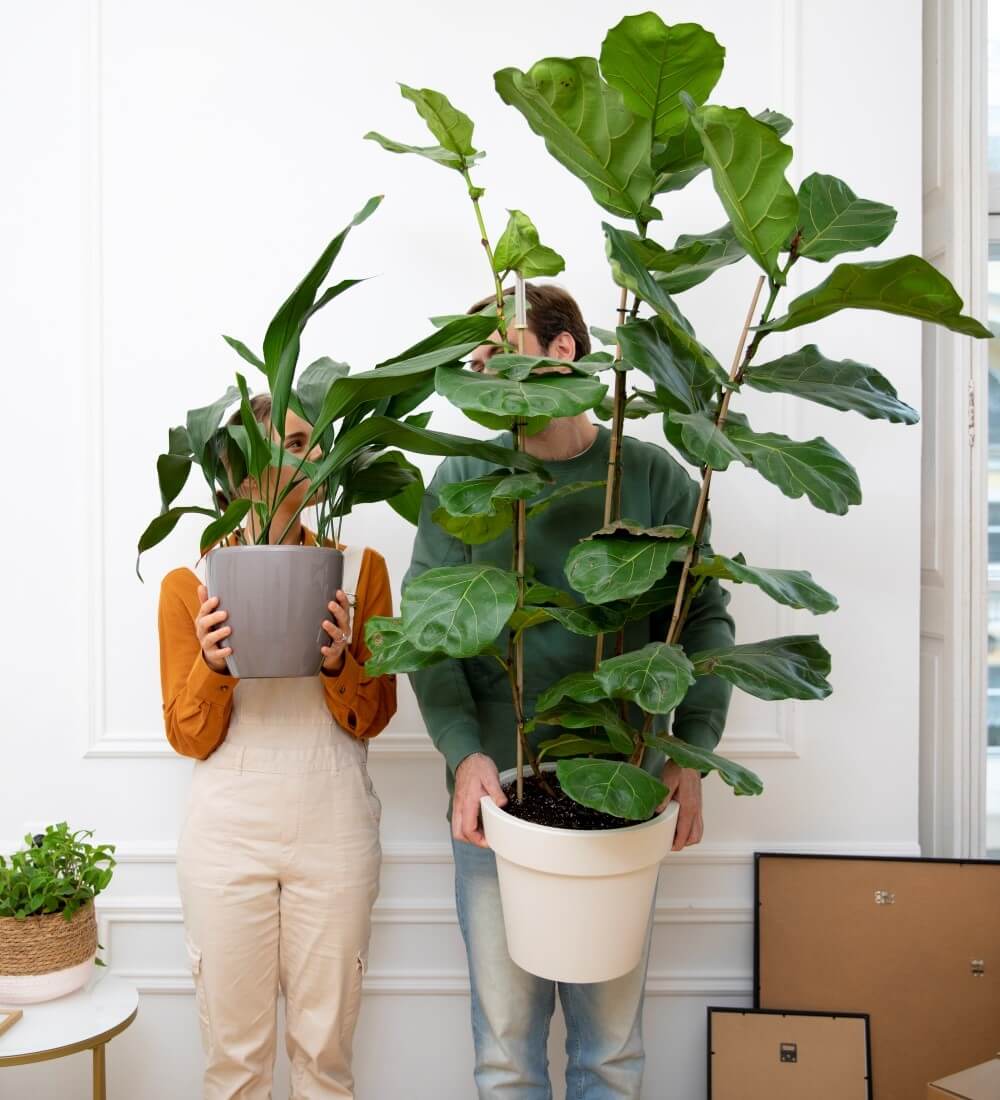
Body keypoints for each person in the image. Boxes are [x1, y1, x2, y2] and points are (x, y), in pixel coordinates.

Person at [405, 284, 736, 1099]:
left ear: (563, 350)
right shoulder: (467, 478)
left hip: (622, 793)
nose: (488, 372)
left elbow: (703, 620)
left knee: (611, 1052)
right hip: (497, 798)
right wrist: (463, 754)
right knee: (505, 1054)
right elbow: (428, 632)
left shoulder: (651, 478)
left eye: (503, 349)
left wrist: (689, 751)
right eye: (477, 361)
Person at [158, 395, 395, 1099]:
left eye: (317, 441)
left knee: (325, 1061)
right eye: (295, 444)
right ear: (241, 469)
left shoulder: (360, 571)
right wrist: (214, 662)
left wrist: (338, 661)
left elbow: (376, 715)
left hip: (335, 829)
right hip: (226, 837)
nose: (319, 456)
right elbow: (188, 735)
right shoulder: (191, 584)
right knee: (235, 1063)